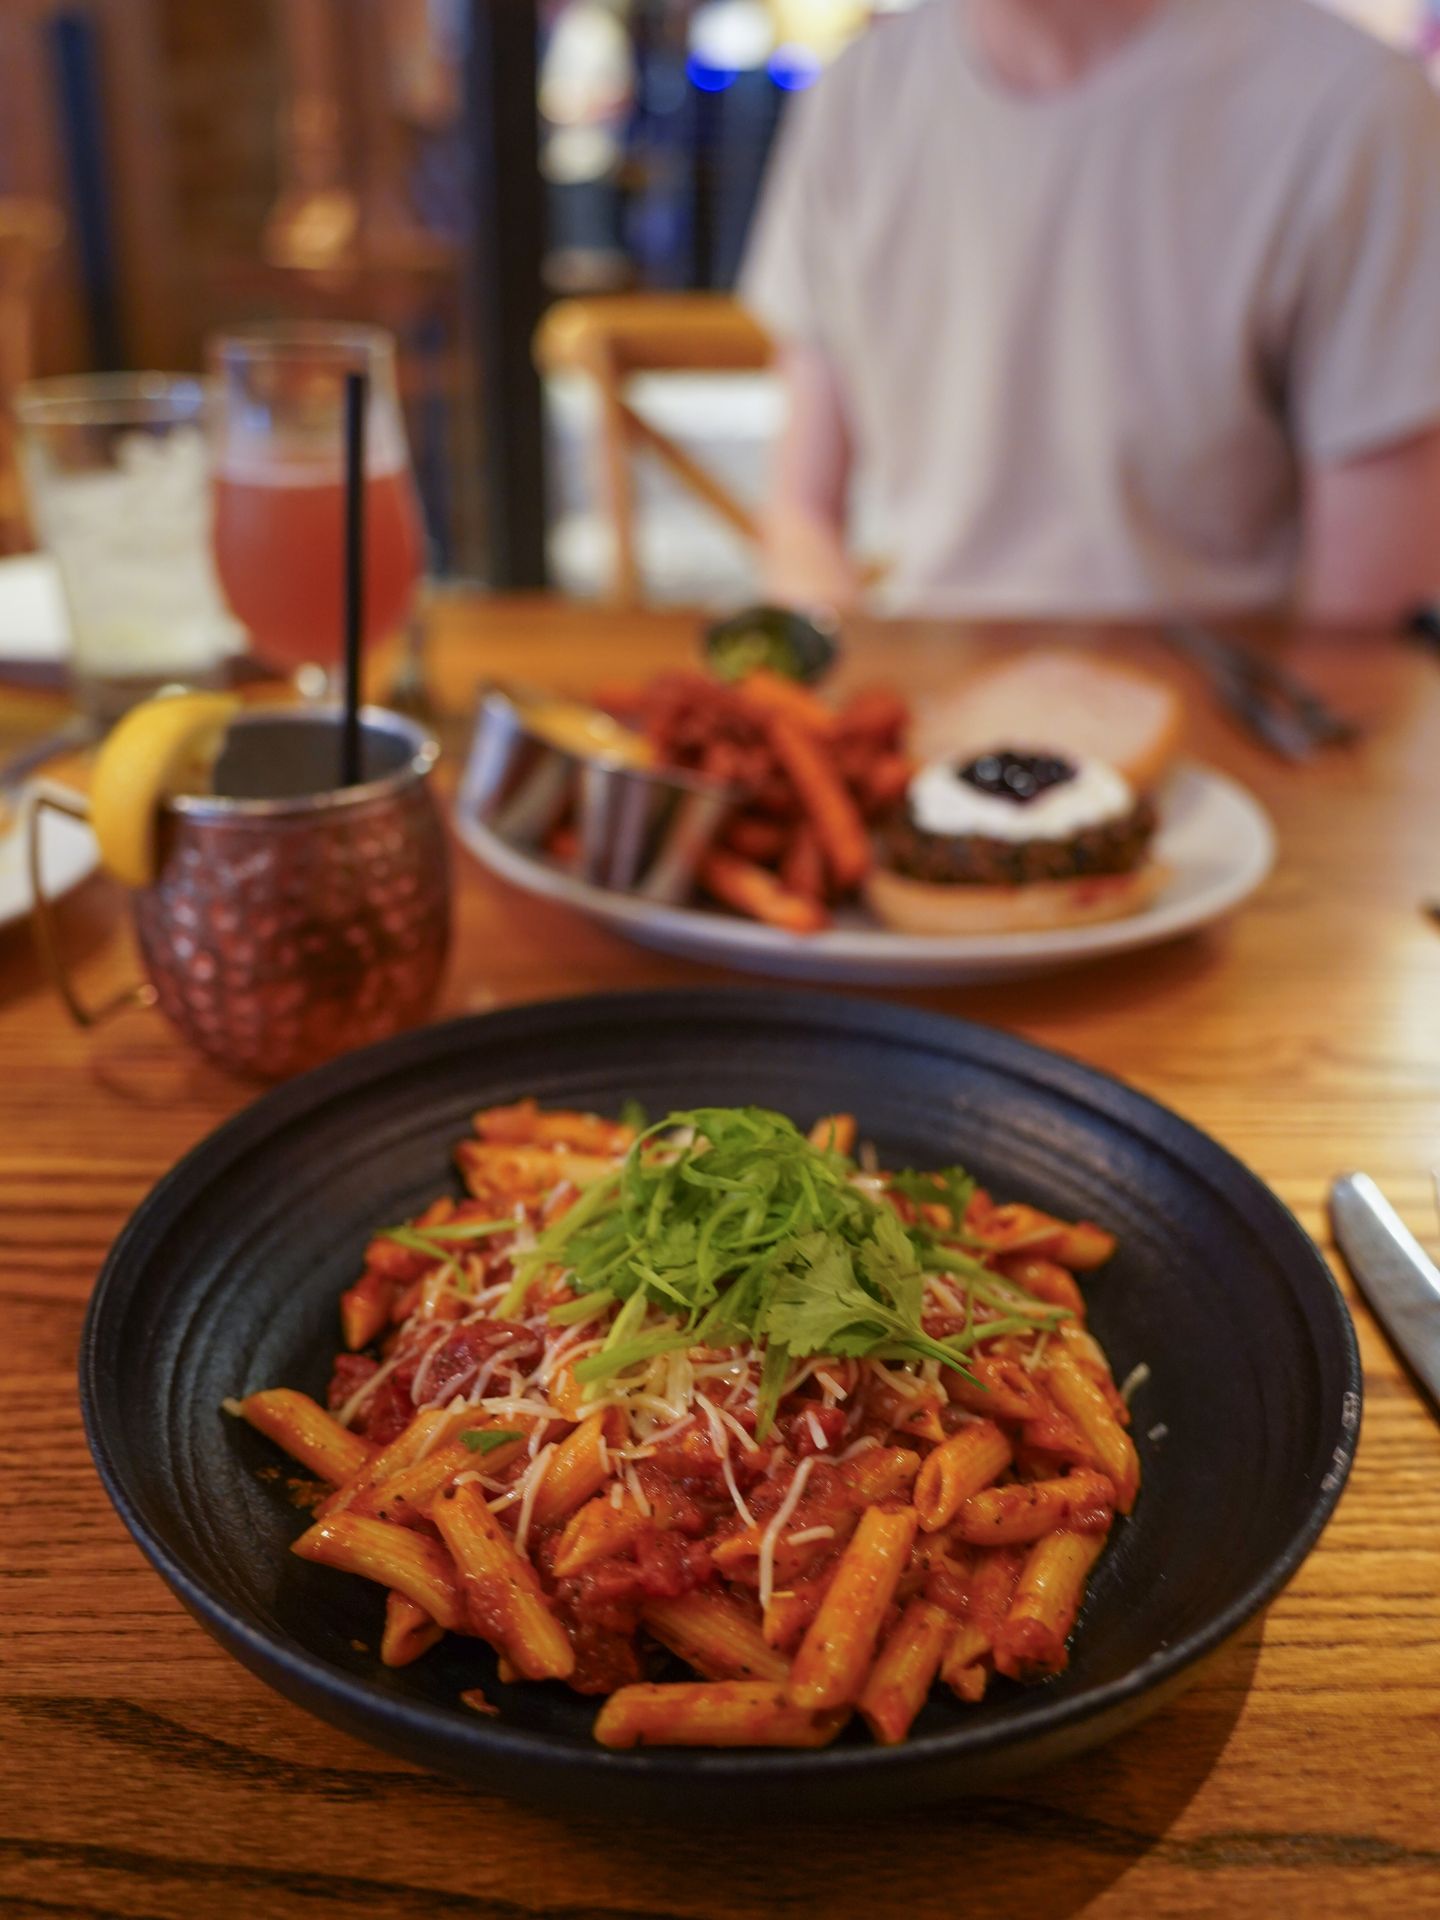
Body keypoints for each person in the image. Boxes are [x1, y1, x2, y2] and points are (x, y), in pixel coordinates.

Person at [740, 0, 1440, 622]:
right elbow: (801, 516)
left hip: (1230, 722)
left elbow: (1368, 627)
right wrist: (837, 716)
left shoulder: (1353, 106)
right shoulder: (856, 96)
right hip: (932, 706)